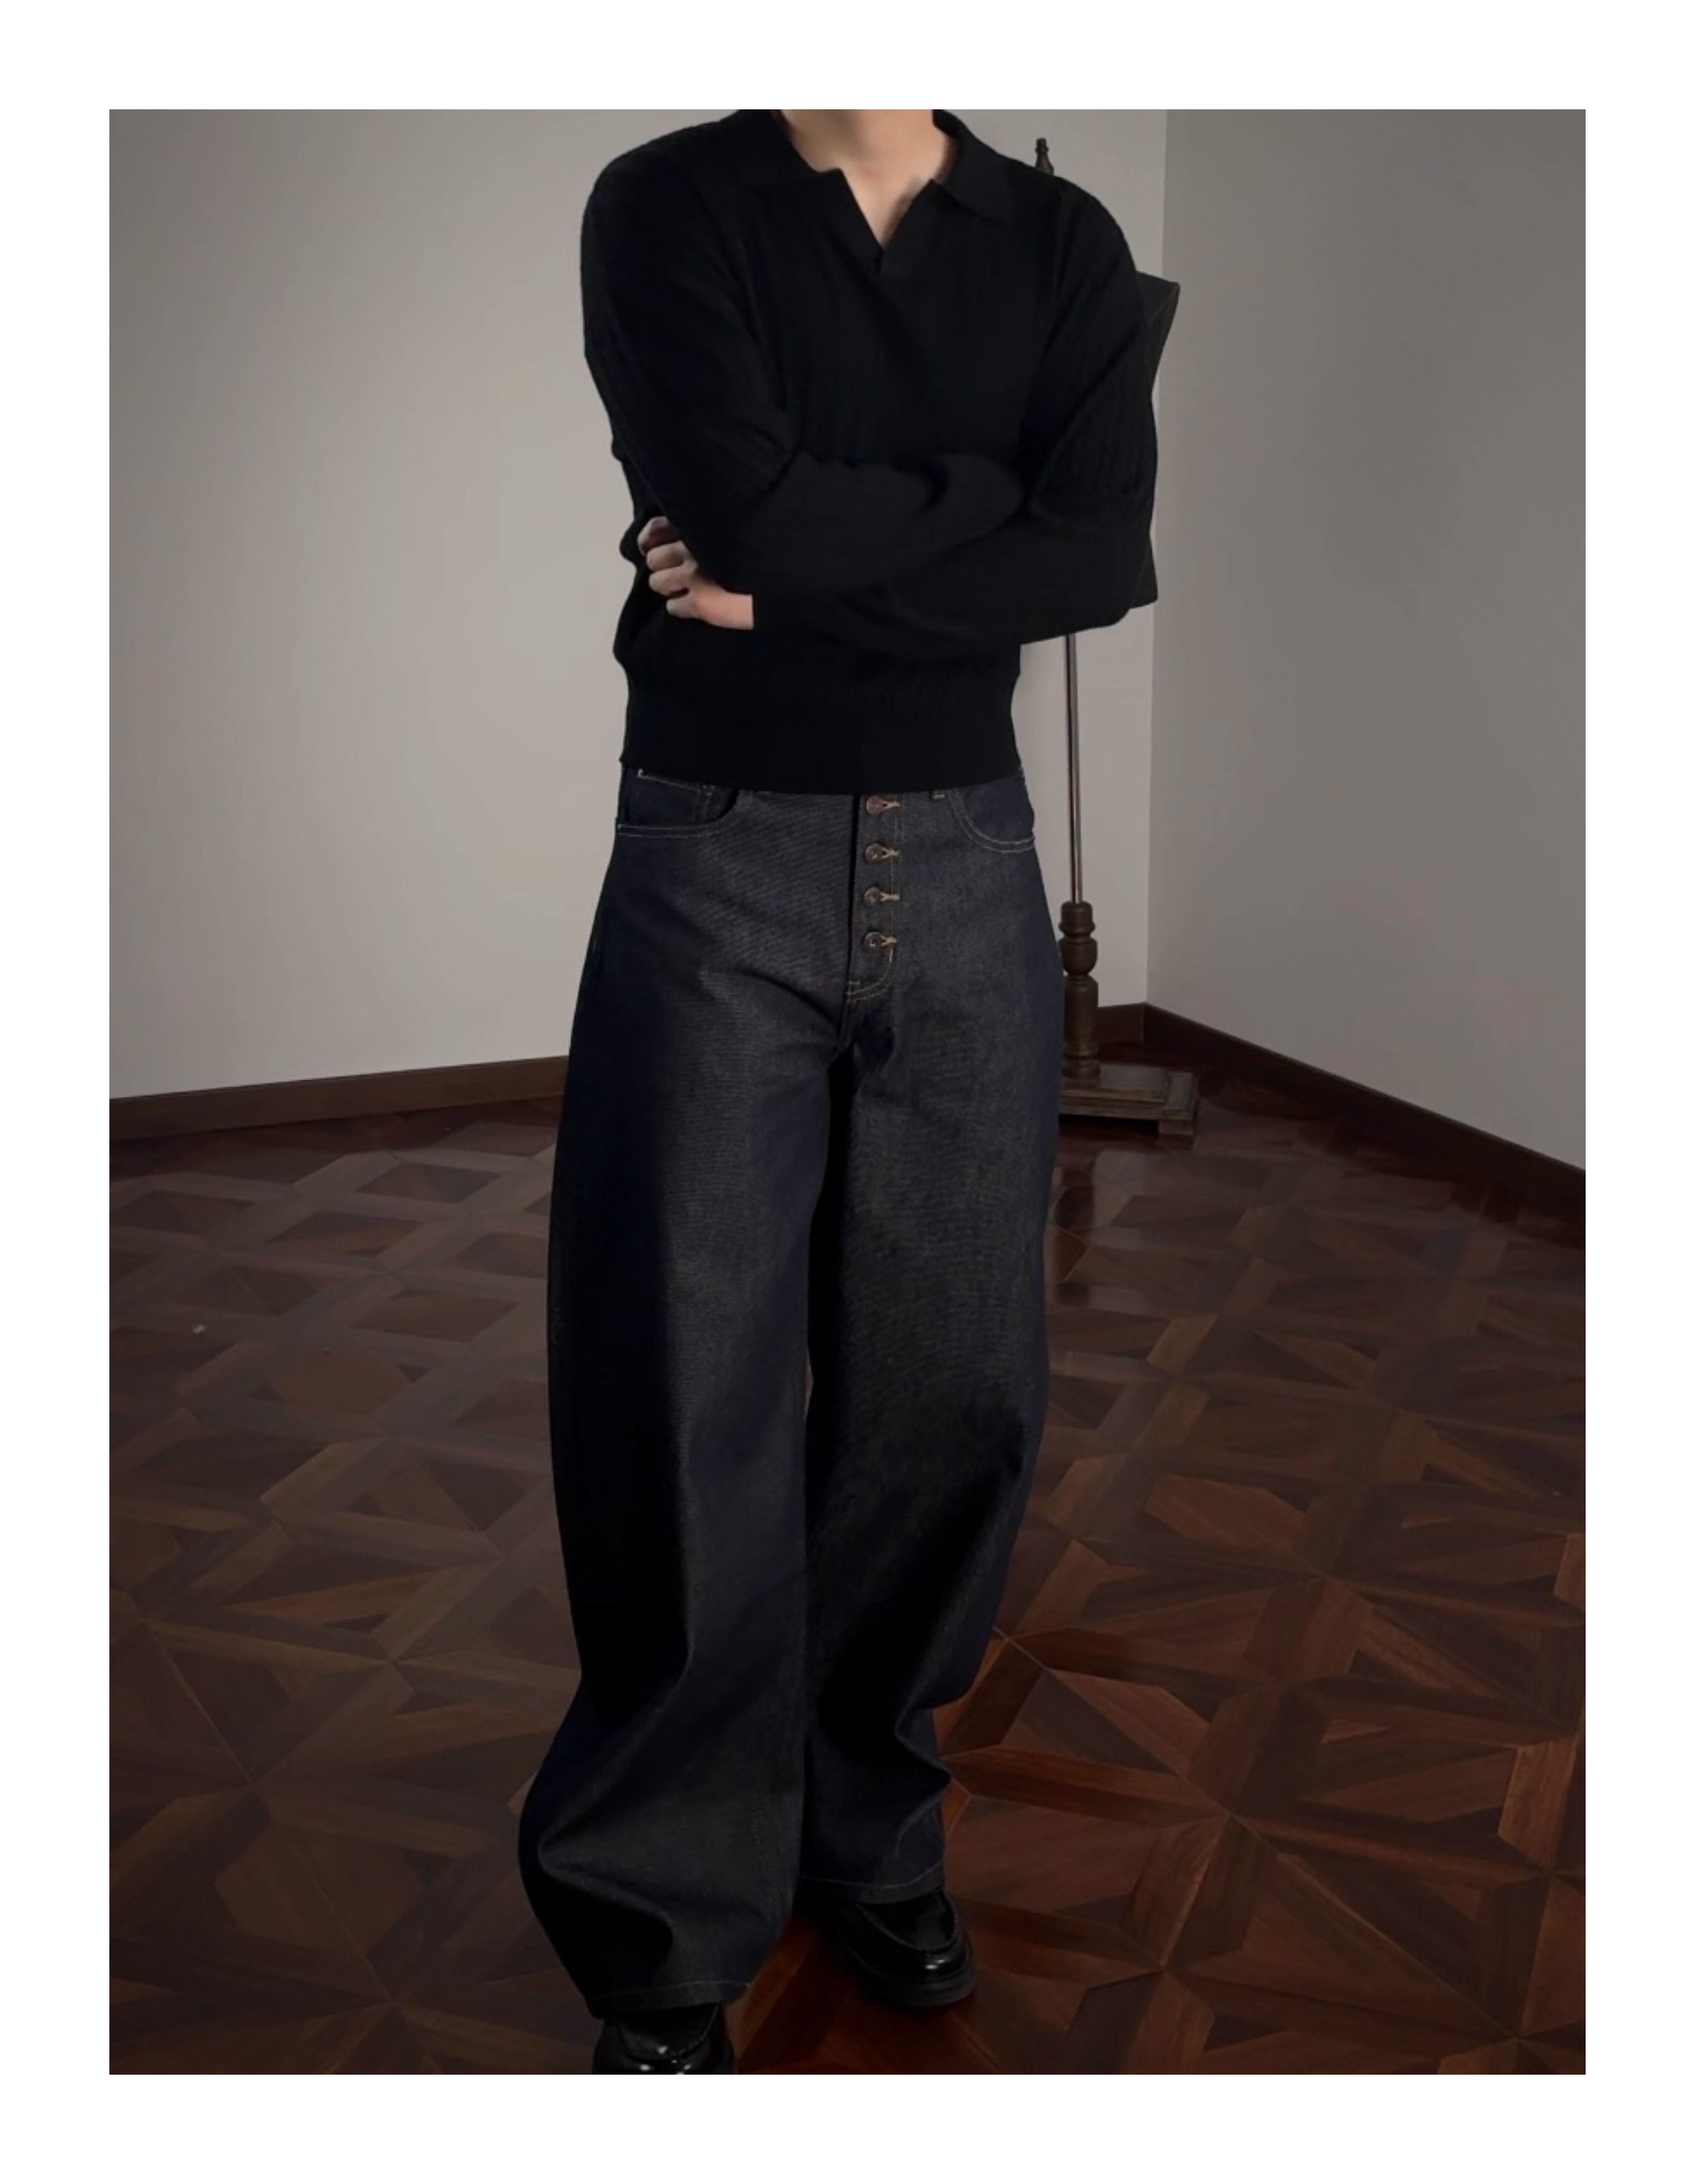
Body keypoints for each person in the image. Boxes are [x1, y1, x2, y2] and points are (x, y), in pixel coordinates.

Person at [518, 107, 1158, 2075]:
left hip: (968, 855)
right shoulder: (668, 206)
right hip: (720, 848)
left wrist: (794, 575)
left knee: (955, 1387)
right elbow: (757, 510)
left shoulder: (1059, 239)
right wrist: (976, 508)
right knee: (679, 1382)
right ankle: (661, 1908)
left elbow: (1103, 552)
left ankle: (866, 1825)